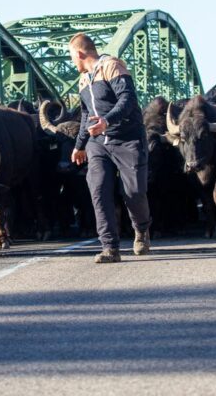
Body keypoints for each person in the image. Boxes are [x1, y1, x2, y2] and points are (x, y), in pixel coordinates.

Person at [68, 32, 152, 263]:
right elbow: (86, 114)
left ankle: (141, 229)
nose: (72, 61)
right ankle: (109, 248)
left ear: (80, 53)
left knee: (133, 192)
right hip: (98, 145)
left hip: (127, 139)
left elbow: (128, 99)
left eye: (71, 56)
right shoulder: (84, 80)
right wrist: (80, 145)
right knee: (99, 191)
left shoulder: (112, 66)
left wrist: (107, 121)